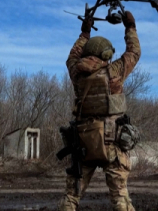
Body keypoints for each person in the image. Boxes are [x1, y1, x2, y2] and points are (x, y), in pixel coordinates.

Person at [58, 11, 140, 211]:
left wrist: (84, 33)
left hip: (84, 144)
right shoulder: (114, 72)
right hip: (112, 144)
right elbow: (133, 53)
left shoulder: (77, 73)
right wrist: (130, 27)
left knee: (71, 197)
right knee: (120, 197)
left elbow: (72, 56)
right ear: (105, 54)